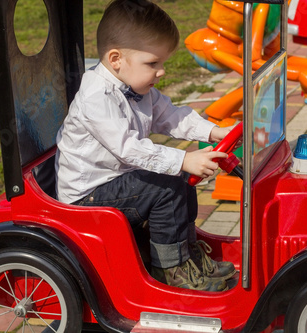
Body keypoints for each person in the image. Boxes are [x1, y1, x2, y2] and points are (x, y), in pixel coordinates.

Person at [55, 0, 236, 291]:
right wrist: (182, 160)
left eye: (161, 63)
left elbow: (172, 116)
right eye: (153, 63)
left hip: (118, 181)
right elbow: (129, 148)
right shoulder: (96, 97)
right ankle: (171, 270)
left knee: (179, 179)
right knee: (167, 187)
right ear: (116, 59)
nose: (161, 71)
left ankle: (187, 254)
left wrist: (213, 131)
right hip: (88, 196)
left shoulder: (137, 86)